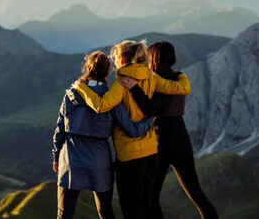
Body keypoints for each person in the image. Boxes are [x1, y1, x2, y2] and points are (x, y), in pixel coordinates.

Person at [73, 40, 191, 219]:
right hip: (152, 152)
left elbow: (101, 105)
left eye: (115, 58)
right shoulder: (150, 76)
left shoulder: (122, 83)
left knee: (131, 210)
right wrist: (182, 76)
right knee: (148, 207)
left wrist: (81, 87)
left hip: (130, 156)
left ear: (121, 58)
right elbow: (182, 88)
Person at [119, 41, 219, 219]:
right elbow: (183, 91)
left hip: (159, 142)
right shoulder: (180, 77)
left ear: (154, 57)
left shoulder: (153, 81)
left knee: (152, 197)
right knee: (196, 194)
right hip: (181, 138)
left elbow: (151, 109)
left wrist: (134, 89)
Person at [53, 51, 155, 219]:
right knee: (105, 212)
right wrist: (150, 121)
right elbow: (132, 130)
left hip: (70, 158)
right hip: (99, 158)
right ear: (107, 72)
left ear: (87, 68)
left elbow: (60, 130)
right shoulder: (111, 99)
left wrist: (56, 156)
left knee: (64, 214)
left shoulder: (70, 94)